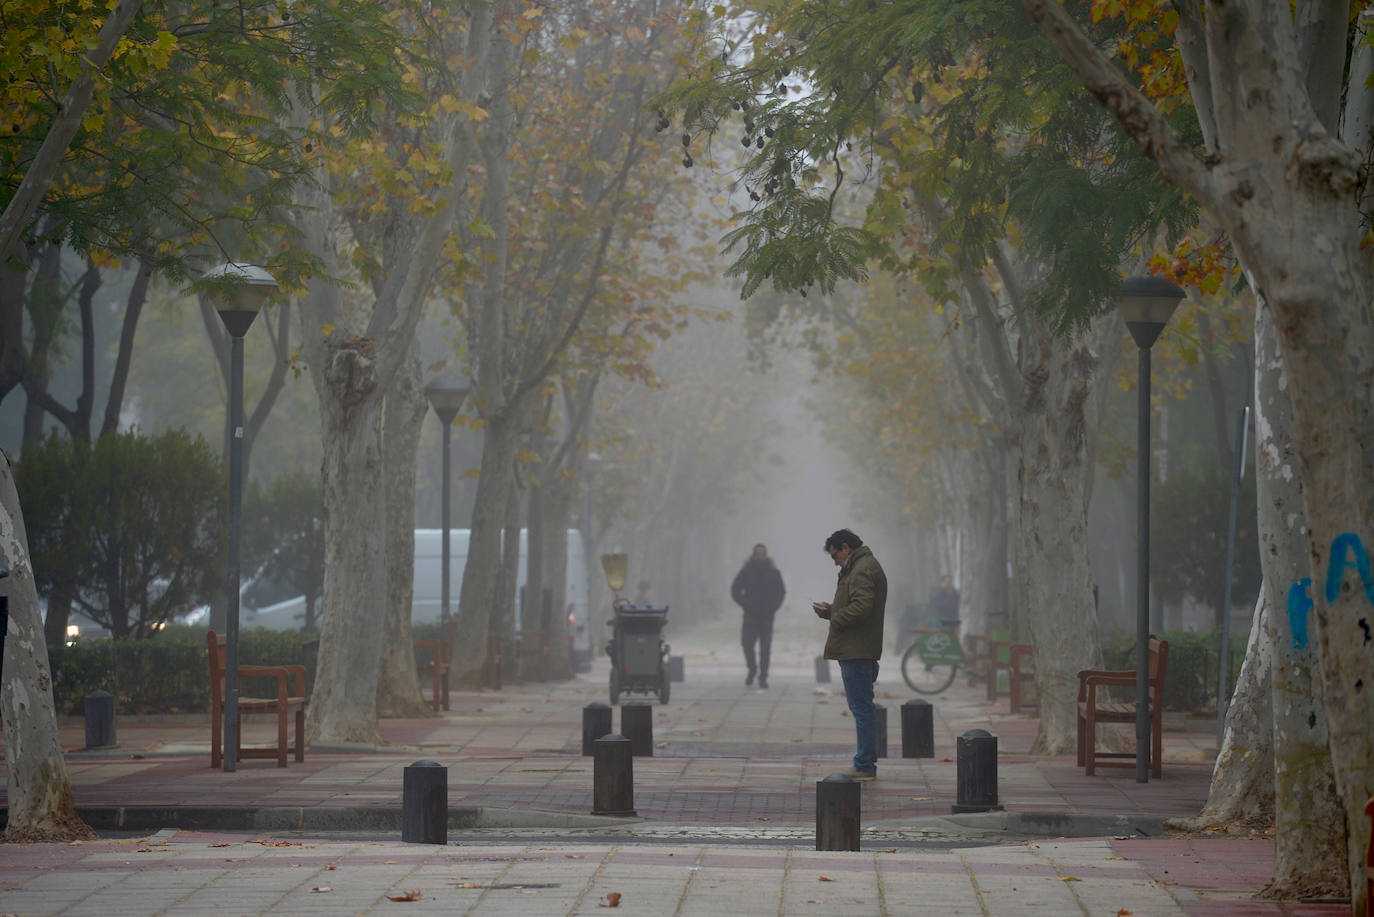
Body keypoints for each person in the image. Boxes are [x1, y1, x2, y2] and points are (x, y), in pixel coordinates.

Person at [811, 528, 888, 781]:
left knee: (862, 709)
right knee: (863, 707)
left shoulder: (862, 568)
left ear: (846, 548)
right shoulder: (861, 566)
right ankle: (865, 762)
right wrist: (830, 612)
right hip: (859, 648)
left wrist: (837, 619)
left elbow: (862, 606)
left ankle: (865, 765)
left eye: (835, 556)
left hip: (857, 650)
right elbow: (855, 604)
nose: (835, 561)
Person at [730, 543, 786, 688]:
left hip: (767, 616)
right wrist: (746, 604)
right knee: (747, 644)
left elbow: (781, 591)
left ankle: (763, 677)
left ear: (766, 555)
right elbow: (735, 590)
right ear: (754, 555)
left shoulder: (774, 572)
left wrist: (774, 606)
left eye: (763, 553)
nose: (760, 556)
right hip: (750, 616)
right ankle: (752, 668)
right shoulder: (746, 571)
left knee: (765, 648)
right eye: (758, 553)